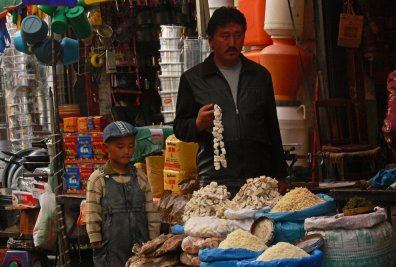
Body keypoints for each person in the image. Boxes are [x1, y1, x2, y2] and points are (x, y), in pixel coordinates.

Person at [173, 7, 287, 196]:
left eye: (237, 35)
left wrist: (281, 174)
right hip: (216, 182)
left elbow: (272, 128)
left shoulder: (260, 76)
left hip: (259, 180)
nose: (232, 43)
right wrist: (198, 123)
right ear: (211, 40)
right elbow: (180, 128)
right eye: (225, 36)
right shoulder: (193, 79)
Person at [86, 121, 160, 267]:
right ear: (106, 147)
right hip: (110, 250)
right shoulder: (97, 178)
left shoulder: (140, 176)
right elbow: (92, 212)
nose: (126, 151)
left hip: (141, 247)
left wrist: (154, 241)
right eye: (120, 146)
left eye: (131, 146)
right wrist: (96, 241)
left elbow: (150, 212)